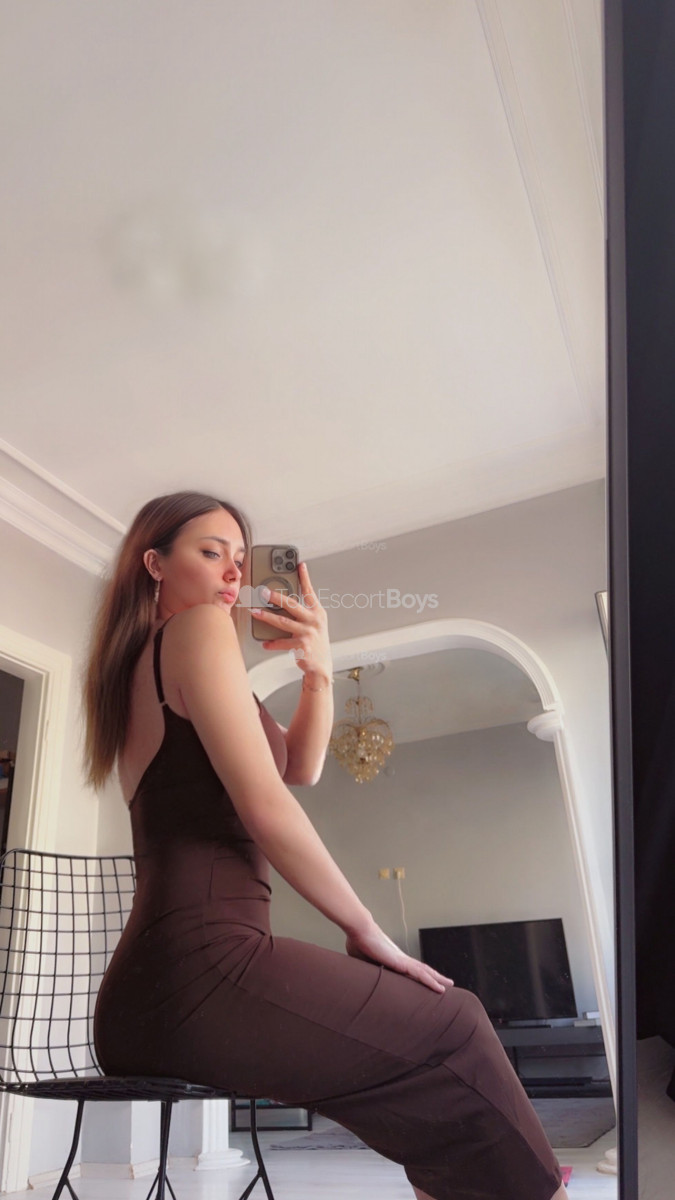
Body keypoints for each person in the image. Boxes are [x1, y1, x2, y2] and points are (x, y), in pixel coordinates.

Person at [86, 491, 566, 1200]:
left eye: (241, 558)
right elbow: (266, 804)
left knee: (430, 1096)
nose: (233, 573)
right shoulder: (195, 631)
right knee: (455, 1022)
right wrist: (367, 929)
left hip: (153, 995)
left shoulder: (144, 666)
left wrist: (317, 668)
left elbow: (299, 767)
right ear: (154, 564)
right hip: (200, 973)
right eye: (211, 552)